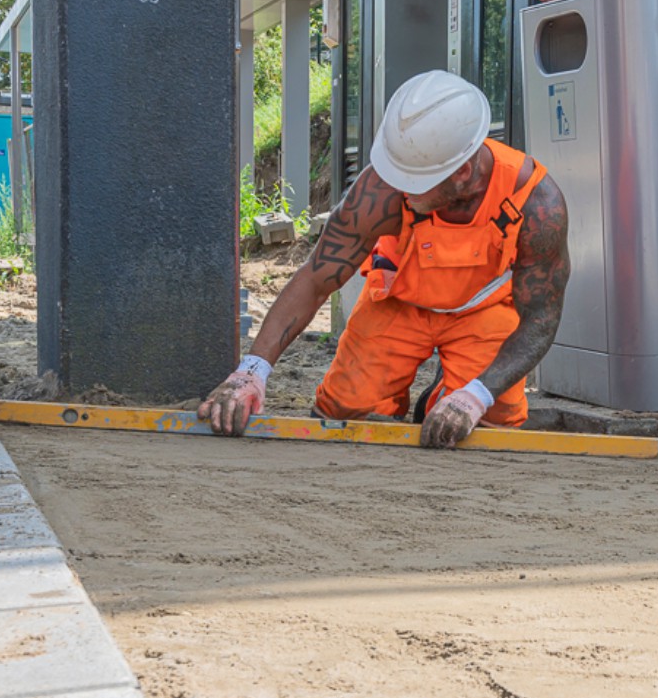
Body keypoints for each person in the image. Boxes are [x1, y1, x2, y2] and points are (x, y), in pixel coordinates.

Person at [199, 70, 571, 449]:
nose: (398, 185)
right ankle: (403, 397)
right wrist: (252, 370)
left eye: (413, 180)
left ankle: (443, 396)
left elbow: (541, 320)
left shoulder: (536, 205)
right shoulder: (381, 191)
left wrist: (476, 395)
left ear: (461, 174)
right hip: (399, 304)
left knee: (493, 423)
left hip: (482, 311)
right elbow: (315, 278)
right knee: (347, 412)